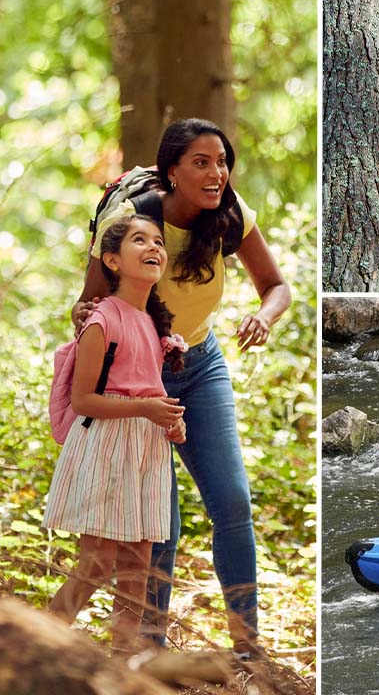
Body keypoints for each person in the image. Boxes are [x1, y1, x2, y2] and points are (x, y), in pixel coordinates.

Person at [72, 118, 290, 659]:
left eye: (222, 162)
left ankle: (247, 645)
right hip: (139, 376)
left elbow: (276, 287)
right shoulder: (131, 222)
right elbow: (89, 306)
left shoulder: (230, 214)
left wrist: (264, 316)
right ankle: (150, 648)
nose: (216, 173)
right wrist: (88, 321)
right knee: (159, 520)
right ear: (172, 171)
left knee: (233, 502)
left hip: (201, 363)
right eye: (201, 163)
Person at [44, 215, 188, 653]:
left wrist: (171, 421)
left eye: (158, 241)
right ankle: (34, 649)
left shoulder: (152, 323)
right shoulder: (103, 319)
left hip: (146, 449)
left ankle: (122, 665)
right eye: (139, 240)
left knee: (135, 570)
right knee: (95, 564)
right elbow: (84, 400)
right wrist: (144, 408)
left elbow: (148, 389)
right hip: (107, 446)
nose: (153, 247)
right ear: (112, 260)